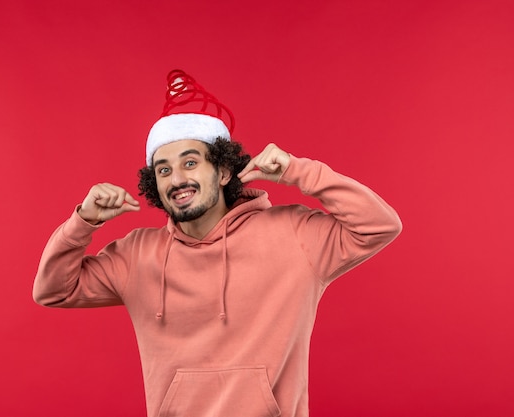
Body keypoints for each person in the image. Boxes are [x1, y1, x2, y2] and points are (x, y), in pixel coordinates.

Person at [33, 69, 402, 417]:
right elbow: (53, 291)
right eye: (163, 169)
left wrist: (300, 171)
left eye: (190, 163)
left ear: (224, 170)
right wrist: (84, 221)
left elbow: (378, 225)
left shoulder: (293, 235)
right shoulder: (136, 255)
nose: (177, 178)